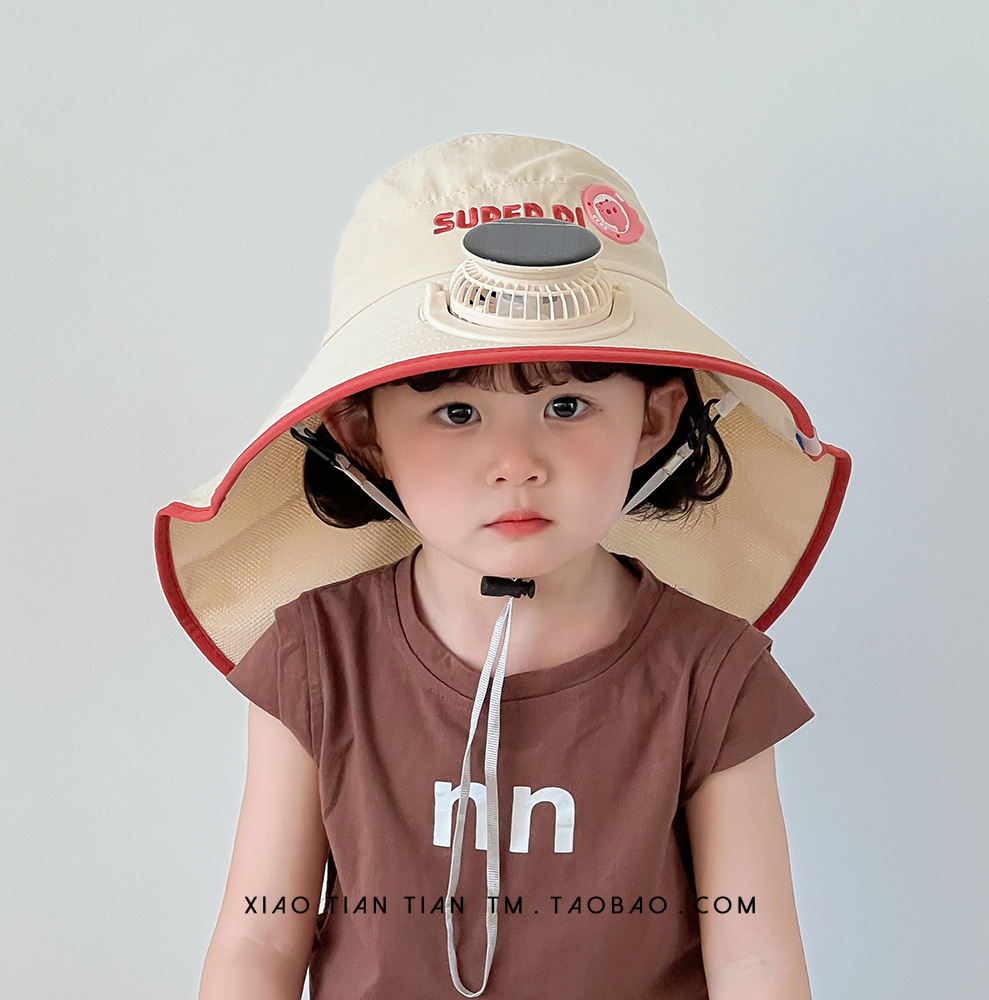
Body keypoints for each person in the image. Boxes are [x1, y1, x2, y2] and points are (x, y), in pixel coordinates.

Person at [155, 133, 851, 999]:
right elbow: (261, 937)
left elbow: (755, 957)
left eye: (567, 404)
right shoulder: (316, 658)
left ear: (654, 419)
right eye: (456, 412)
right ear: (363, 433)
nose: (516, 464)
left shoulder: (711, 675)